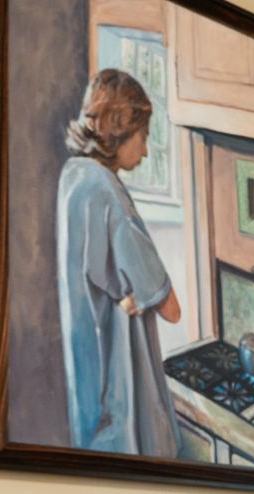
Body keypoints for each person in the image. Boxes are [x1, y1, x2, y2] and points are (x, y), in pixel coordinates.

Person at [56, 68, 183, 456]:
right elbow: (172, 309)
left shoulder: (74, 175)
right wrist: (137, 296)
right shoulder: (113, 199)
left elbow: (98, 270)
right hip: (122, 403)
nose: (145, 150)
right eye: (144, 136)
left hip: (87, 393)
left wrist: (126, 295)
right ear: (121, 132)